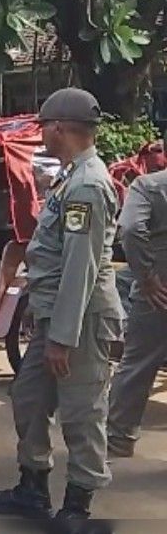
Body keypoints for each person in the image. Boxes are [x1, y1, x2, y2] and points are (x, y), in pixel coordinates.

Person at [0, 88, 124, 522]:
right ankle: (32, 487)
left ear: (59, 127)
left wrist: (61, 337)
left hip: (80, 320)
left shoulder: (87, 185)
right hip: (53, 317)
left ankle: (77, 506)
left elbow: (81, 267)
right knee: (29, 399)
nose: (39, 132)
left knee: (82, 411)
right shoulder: (70, 177)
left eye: (43, 125)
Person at [105, 164, 167, 458]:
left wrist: (146, 275)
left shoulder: (148, 185)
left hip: (158, 287)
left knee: (139, 362)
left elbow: (129, 228)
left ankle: (120, 436)